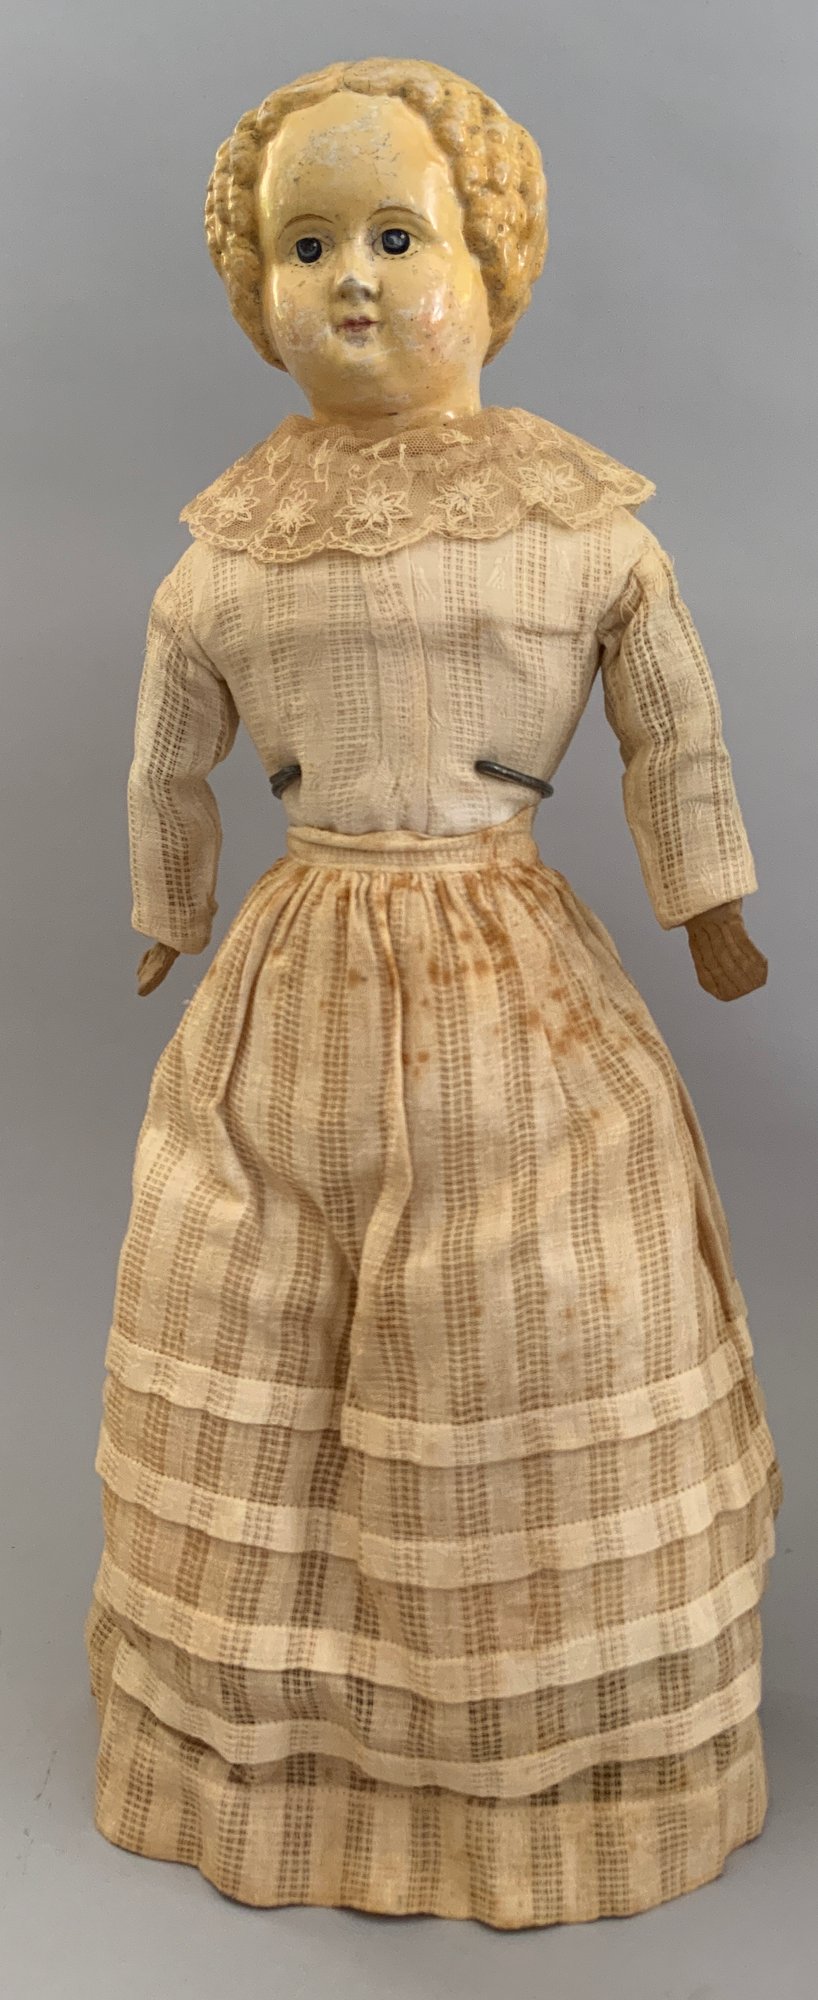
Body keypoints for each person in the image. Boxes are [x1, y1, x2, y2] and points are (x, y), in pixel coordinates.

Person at [85, 55, 783, 1927]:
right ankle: (286, 1739)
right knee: (257, 1290)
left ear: (494, 259)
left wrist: (705, 898)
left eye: (399, 236)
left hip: (508, 979)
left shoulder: (577, 526)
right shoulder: (233, 545)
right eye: (307, 247)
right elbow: (166, 749)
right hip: (296, 981)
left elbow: (671, 724)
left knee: (533, 1301)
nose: (354, 282)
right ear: (258, 294)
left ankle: (541, 1748)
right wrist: (170, 902)